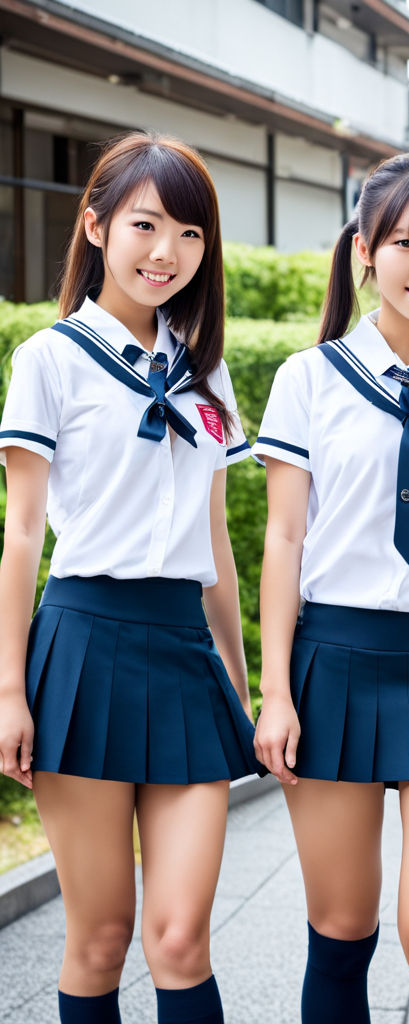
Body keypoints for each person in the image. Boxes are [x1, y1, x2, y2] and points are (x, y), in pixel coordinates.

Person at [0, 132, 259, 1024]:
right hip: (83, 644)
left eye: (190, 234)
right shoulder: (50, 360)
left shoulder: (206, 372)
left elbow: (216, 539)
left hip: (185, 651)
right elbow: (23, 536)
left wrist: (240, 672)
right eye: (146, 225)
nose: (167, 252)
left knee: (182, 938)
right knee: (100, 938)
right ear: (97, 224)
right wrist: (8, 692)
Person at [252, 152, 409, 1024]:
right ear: (364, 249)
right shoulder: (308, 380)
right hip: (334, 665)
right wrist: (276, 692)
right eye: (404, 243)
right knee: (341, 929)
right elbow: (282, 542)